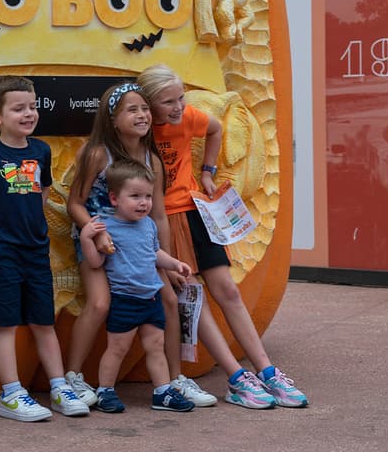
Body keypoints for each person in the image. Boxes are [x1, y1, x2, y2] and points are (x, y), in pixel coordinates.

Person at [137, 64, 308, 409]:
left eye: (180, 98)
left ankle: (267, 370)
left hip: (195, 211)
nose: (178, 107)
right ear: (149, 105)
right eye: (168, 102)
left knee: (226, 289)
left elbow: (215, 129)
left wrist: (208, 170)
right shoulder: (139, 133)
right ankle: (235, 377)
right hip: (162, 220)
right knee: (191, 295)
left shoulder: (188, 118)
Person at [61, 81, 214, 409]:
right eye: (132, 109)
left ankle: (174, 380)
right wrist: (94, 231)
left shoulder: (151, 160)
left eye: (145, 108)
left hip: (141, 247)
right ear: (112, 118)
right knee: (100, 303)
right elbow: (75, 203)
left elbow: (158, 215)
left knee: (169, 298)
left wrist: (167, 260)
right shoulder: (96, 154)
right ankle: (71, 375)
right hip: (99, 242)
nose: (142, 115)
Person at [0, 76, 88, 422]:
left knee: (43, 321)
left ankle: (59, 386)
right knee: (5, 323)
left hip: (36, 250)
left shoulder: (41, 150)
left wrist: (35, 225)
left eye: (32, 106)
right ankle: (12, 393)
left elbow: (43, 191)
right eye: (18, 108)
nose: (29, 114)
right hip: (0, 250)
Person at [79, 159, 194, 413]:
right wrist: (87, 237)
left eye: (148, 196)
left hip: (151, 297)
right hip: (124, 298)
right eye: (135, 196)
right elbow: (96, 262)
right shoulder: (106, 227)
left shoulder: (148, 225)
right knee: (117, 348)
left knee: (155, 346)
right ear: (114, 198)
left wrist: (175, 263)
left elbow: (154, 254)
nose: (143, 202)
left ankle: (162, 392)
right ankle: (105, 390)